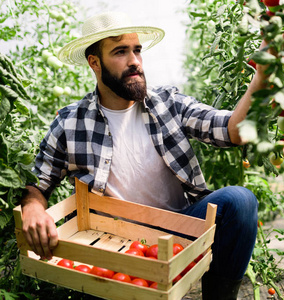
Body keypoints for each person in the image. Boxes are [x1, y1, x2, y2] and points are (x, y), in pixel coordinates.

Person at [20, 11, 271, 300]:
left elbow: (231, 131)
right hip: (116, 243)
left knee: (239, 201)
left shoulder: (168, 103)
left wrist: (262, 73)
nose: (135, 61)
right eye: (120, 52)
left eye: (137, 50)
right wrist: (33, 208)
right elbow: (38, 183)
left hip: (179, 228)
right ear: (94, 62)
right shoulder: (70, 122)